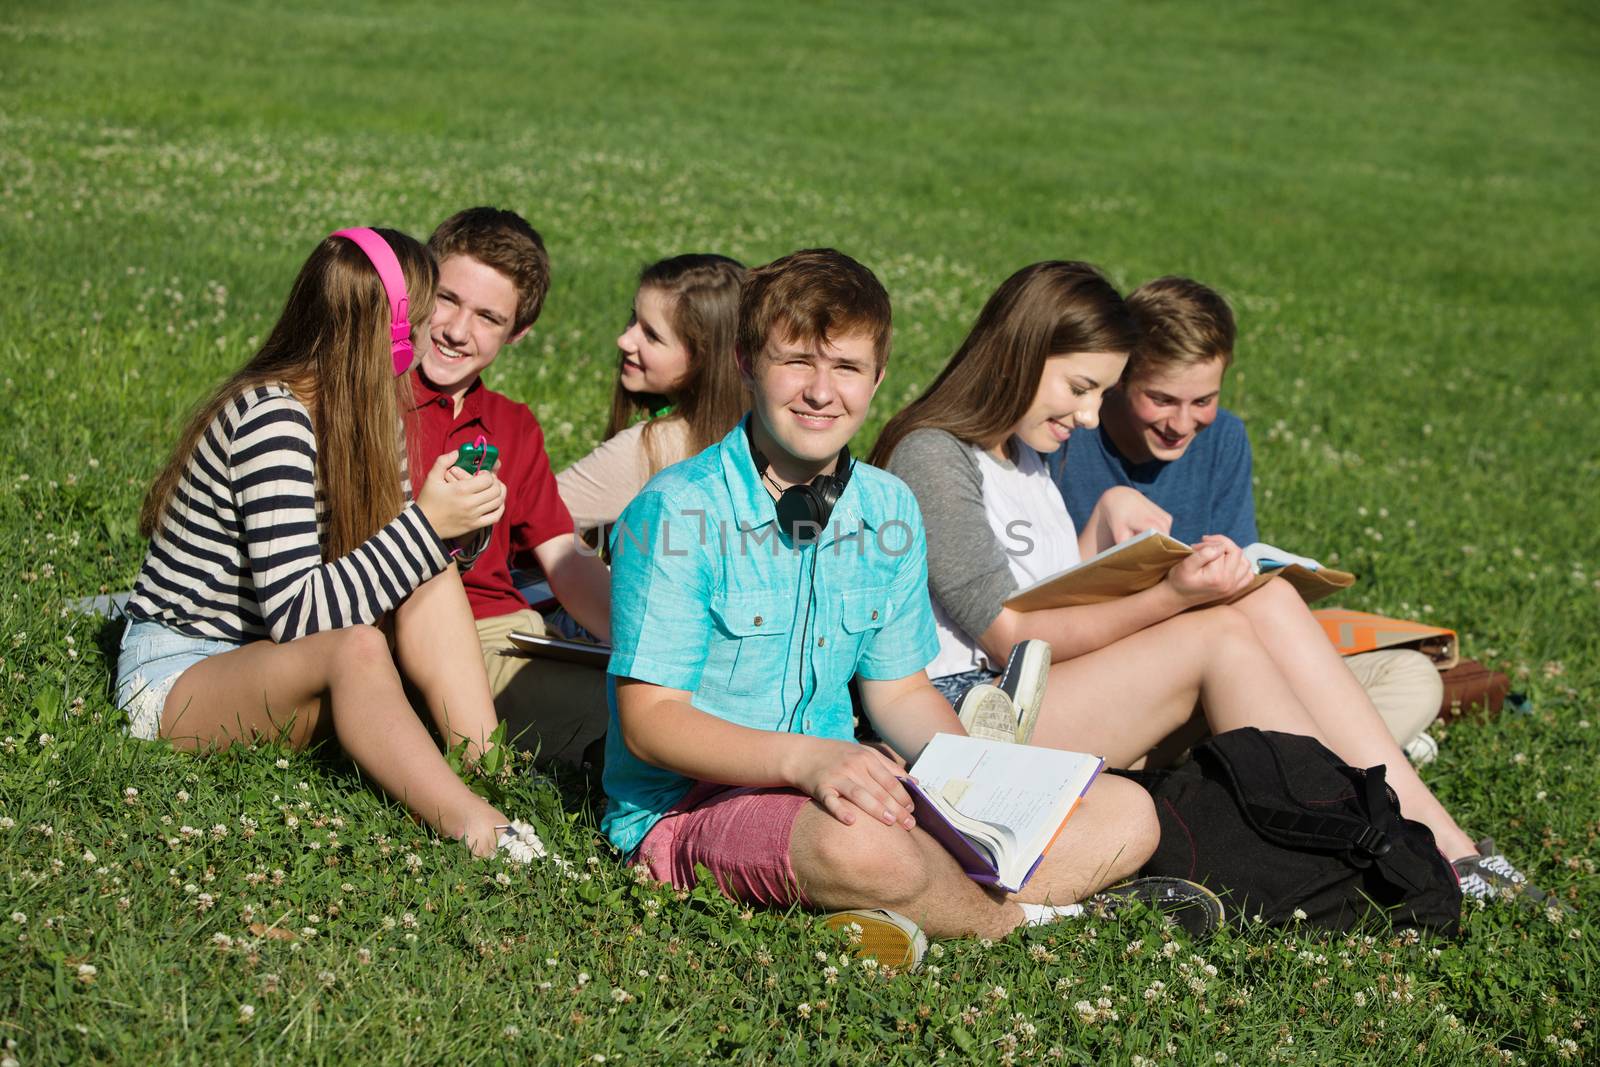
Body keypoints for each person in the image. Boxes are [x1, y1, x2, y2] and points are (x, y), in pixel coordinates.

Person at [872, 260, 1547, 904]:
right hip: (974, 715)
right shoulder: (933, 453)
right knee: (1216, 635)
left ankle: (1444, 842)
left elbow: (1044, 593)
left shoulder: (1026, 454)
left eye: (1100, 395)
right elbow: (1010, 634)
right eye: (1082, 389)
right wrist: (1170, 598)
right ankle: (1372, 846)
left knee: (1270, 596)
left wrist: (1107, 535)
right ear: (1019, 353)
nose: (1087, 415)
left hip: (1043, 693)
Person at [601, 249, 1169, 965]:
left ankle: (920, 905)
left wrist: (974, 784)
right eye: (796, 361)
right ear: (745, 361)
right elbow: (651, 724)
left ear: (877, 378)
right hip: (693, 807)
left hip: (847, 780)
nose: (820, 390)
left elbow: (898, 691)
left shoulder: (886, 507)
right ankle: (1029, 920)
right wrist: (806, 760)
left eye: (846, 368)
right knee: (865, 848)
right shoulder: (675, 511)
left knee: (1129, 813)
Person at [116, 227, 542, 860]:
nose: (436, 335)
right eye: (424, 320)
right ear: (391, 335)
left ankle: (485, 761)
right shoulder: (271, 419)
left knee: (432, 573)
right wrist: (426, 527)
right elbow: (297, 617)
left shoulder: (369, 416)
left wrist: (457, 533)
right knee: (358, 648)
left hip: (268, 659)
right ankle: (473, 824)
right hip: (183, 675)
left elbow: (389, 563)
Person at [1052, 275, 1443, 759]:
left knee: (1413, 677)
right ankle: (1336, 765)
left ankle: (1287, 766)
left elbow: (1243, 575)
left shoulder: (1225, 440)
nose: (1180, 425)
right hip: (1127, 681)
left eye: (1203, 401)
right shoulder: (1068, 435)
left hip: (1224, 667)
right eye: (1161, 399)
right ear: (1121, 377)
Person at [409, 207, 613, 766]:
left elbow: (566, 564)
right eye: (447, 300)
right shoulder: (379, 399)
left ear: (517, 333)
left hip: (518, 634)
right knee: (631, 720)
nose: (456, 331)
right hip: (439, 639)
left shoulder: (512, 423)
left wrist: (645, 646)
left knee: (661, 697)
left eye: (487, 318)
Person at [556, 253, 749, 531]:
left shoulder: (649, 448)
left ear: (704, 359)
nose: (624, 340)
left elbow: (528, 517)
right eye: (633, 318)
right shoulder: (769, 444)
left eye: (651, 335)